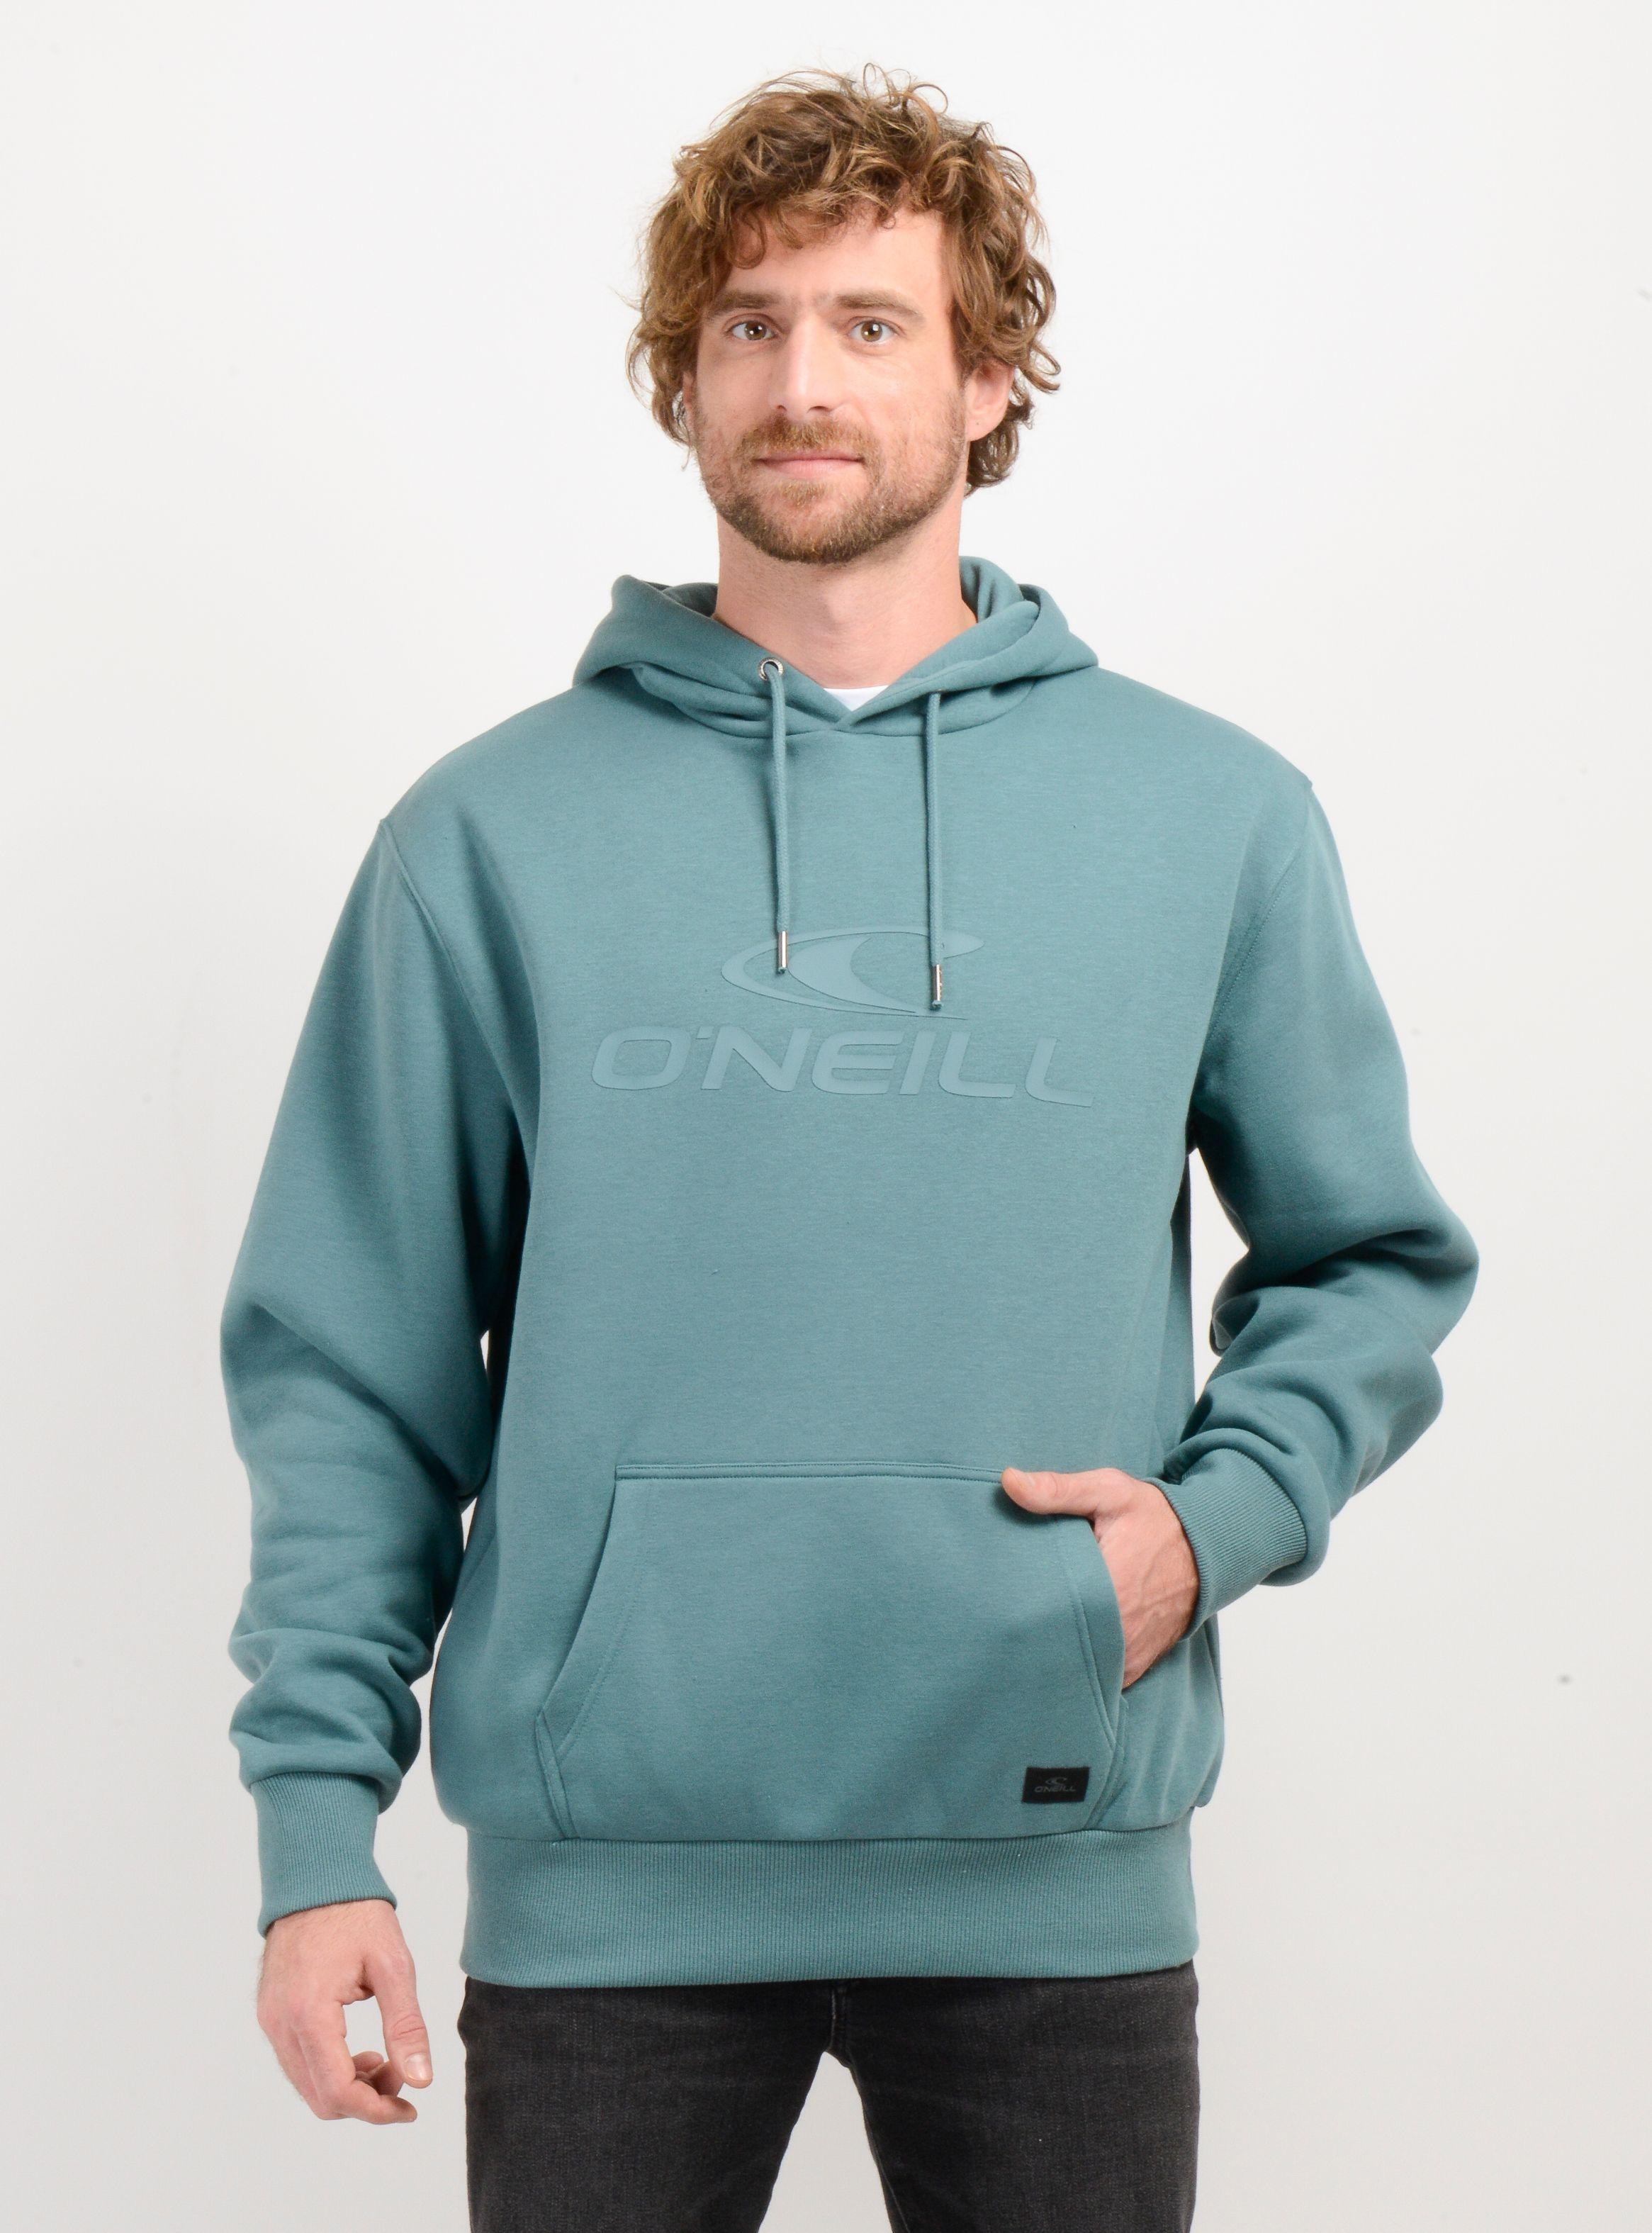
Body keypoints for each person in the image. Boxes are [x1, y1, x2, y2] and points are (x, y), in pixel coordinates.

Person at [224, 62, 1478, 2233]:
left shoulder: (1207, 815)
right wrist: (315, 1838)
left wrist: (1209, 1529)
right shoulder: (484, 839)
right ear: (684, 383)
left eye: (870, 323)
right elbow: (353, 1369)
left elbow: (1366, 1260)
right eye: (748, 324)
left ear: (986, 381)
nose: (801, 381)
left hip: (1050, 1863)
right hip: (609, 1900)